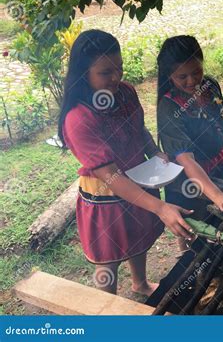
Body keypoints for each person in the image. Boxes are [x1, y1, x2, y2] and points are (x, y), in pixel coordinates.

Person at [58, 29, 193, 296]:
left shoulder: (126, 93)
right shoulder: (78, 119)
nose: (116, 77)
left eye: (119, 68)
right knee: (107, 257)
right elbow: (110, 175)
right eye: (105, 73)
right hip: (106, 194)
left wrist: (154, 151)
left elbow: (139, 129)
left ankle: (140, 283)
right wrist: (160, 207)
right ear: (83, 73)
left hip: (140, 178)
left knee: (137, 238)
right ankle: (108, 305)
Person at [157, 36, 223, 249]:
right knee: (193, 222)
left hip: (220, 162)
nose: (191, 81)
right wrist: (216, 194)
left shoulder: (210, 85)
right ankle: (186, 252)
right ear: (170, 76)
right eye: (182, 76)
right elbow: (186, 160)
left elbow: (221, 119)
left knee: (220, 221)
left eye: (196, 72)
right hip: (190, 177)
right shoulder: (168, 107)